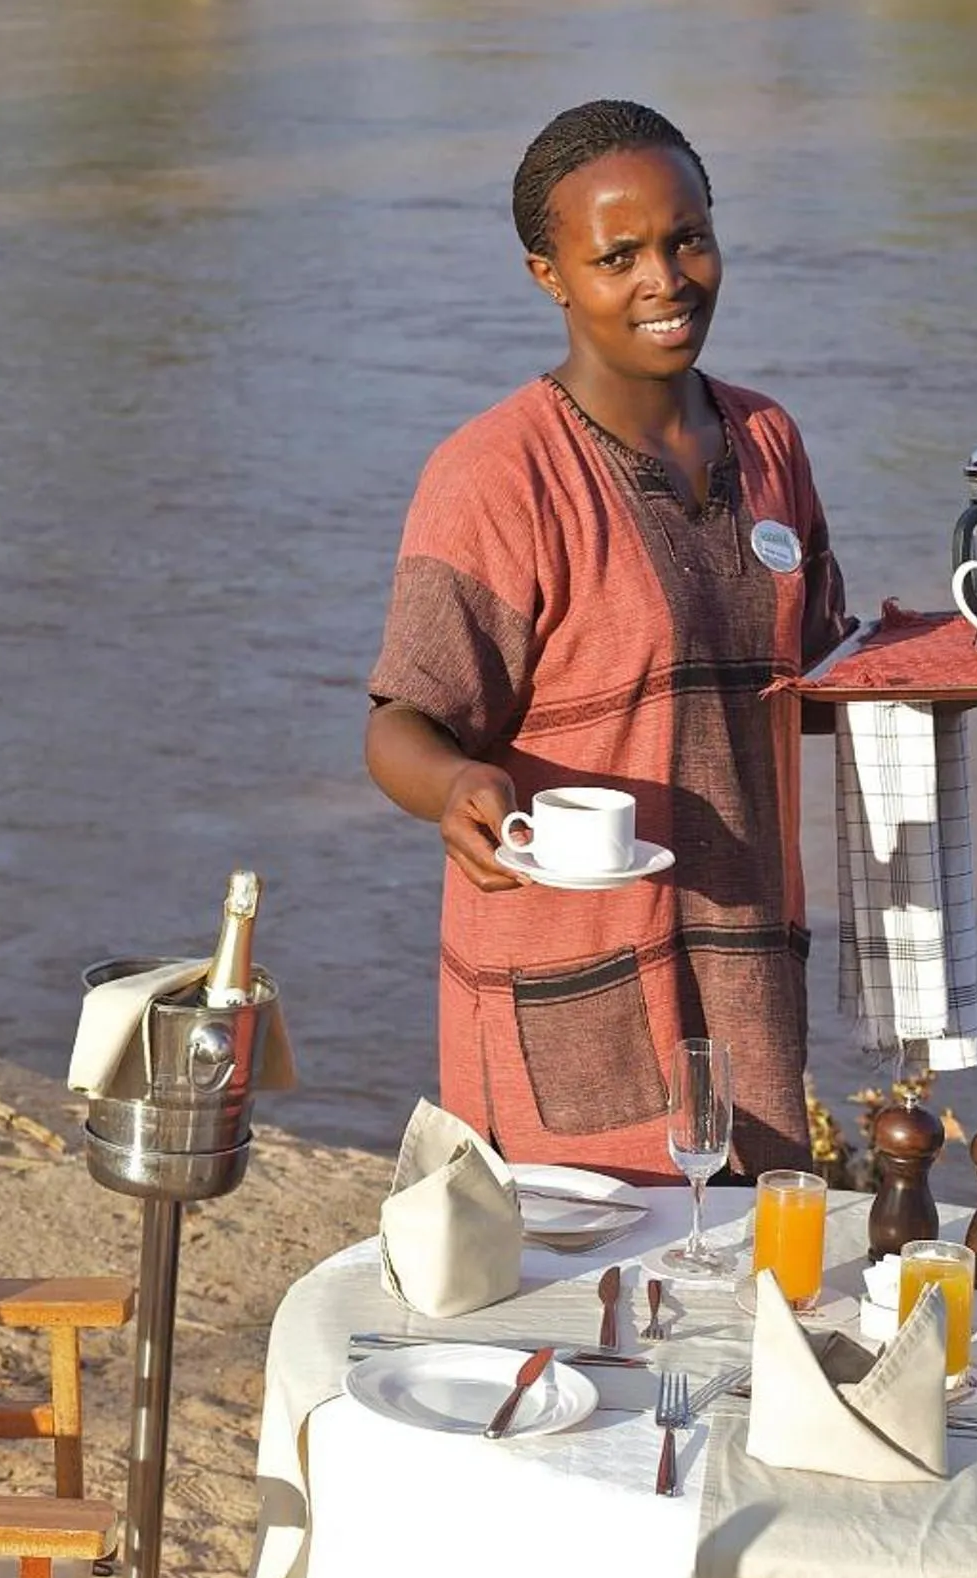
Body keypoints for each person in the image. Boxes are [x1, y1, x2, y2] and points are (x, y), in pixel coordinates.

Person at [364, 98, 852, 1183]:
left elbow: (814, 680)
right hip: (567, 979)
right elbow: (402, 723)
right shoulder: (497, 475)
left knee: (745, 1260)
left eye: (688, 239)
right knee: (582, 1272)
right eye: (616, 256)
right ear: (549, 275)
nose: (664, 280)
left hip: (745, 966)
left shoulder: (768, 441)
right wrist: (454, 789)